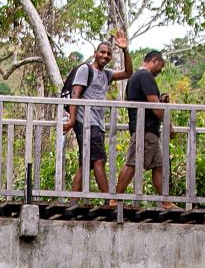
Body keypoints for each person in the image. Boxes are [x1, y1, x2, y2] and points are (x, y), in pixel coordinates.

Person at [62, 34, 131, 193]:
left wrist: (125, 50)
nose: (105, 56)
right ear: (95, 53)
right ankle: (109, 201)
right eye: (102, 52)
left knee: (86, 163)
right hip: (85, 123)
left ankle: (73, 202)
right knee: (99, 160)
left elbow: (128, 73)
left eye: (108, 54)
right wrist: (72, 119)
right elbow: (75, 94)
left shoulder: (106, 74)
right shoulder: (85, 69)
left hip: (96, 124)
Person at [114, 49, 169, 198]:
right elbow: (154, 105)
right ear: (155, 61)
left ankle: (165, 200)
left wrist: (161, 99)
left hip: (150, 131)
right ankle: (115, 198)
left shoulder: (135, 78)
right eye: (161, 66)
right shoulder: (145, 76)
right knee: (132, 163)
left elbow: (151, 100)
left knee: (158, 166)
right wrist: (169, 125)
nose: (160, 71)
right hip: (144, 130)